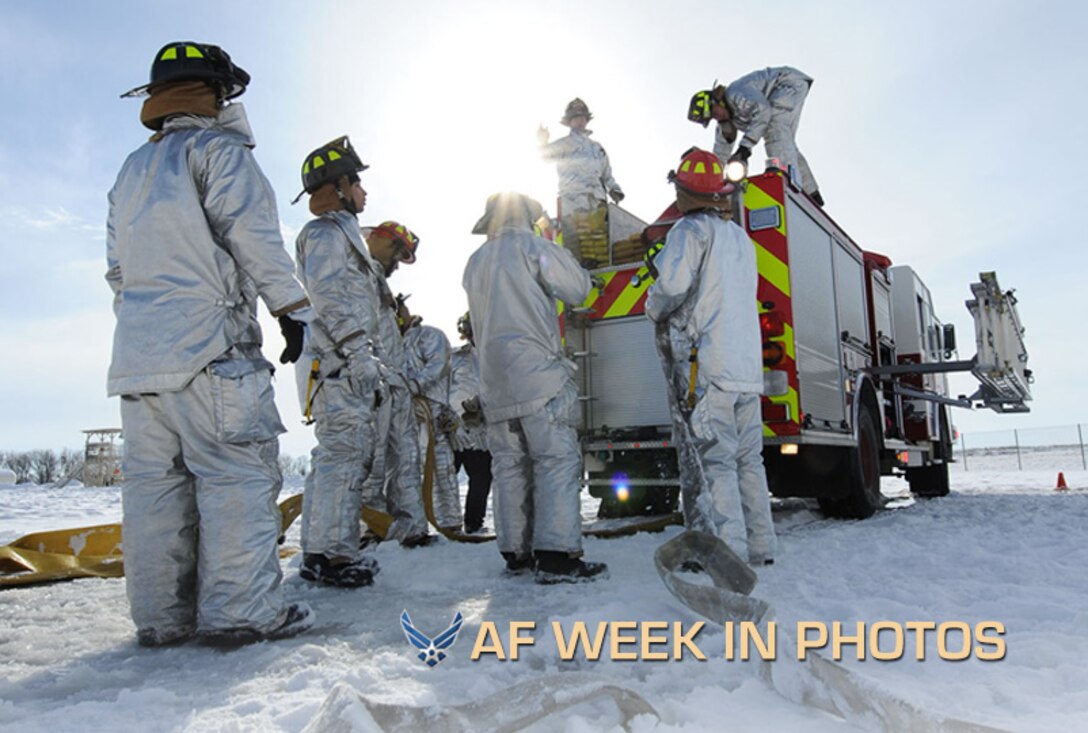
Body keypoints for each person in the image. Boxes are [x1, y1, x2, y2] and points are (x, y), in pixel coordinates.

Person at [107, 41, 314, 646]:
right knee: (236, 478)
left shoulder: (130, 171)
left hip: (140, 362)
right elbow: (254, 239)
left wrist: (149, 325)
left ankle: (161, 621)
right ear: (216, 93)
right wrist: (292, 308)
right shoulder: (218, 152)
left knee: (154, 495)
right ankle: (241, 615)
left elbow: (118, 274)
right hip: (211, 355)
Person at [462, 191, 608, 583]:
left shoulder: (474, 263)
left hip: (494, 383)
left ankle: (516, 551)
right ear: (528, 217)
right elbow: (579, 290)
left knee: (510, 466)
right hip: (538, 376)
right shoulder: (533, 247)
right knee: (555, 461)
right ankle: (558, 555)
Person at [644, 148, 778, 566]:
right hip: (745, 370)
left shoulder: (688, 231)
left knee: (715, 461)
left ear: (684, 193)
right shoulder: (739, 237)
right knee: (748, 461)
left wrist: (653, 306)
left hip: (710, 369)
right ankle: (761, 546)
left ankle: (727, 555)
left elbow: (670, 288)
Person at [292, 135, 385, 588]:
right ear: (341, 185)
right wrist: (357, 351)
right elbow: (329, 298)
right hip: (339, 366)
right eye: (359, 182)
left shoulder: (343, 236)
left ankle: (322, 552)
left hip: (344, 364)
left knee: (339, 460)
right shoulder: (325, 234)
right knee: (341, 459)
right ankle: (329, 557)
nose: (366, 192)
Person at [359, 222, 436, 548]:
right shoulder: (356, 272)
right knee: (372, 462)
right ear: (374, 238)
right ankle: (372, 529)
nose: (395, 261)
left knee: (406, 460)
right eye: (395, 251)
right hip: (372, 382)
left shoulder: (377, 280)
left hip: (395, 384)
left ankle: (411, 529)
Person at [687, 67, 823, 206]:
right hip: (788, 88)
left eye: (714, 112)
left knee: (774, 130)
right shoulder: (725, 123)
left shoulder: (737, 93)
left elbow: (763, 111)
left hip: (787, 84)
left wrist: (744, 149)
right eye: (712, 118)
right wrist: (708, 175)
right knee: (784, 140)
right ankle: (811, 193)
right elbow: (720, 154)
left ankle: (790, 186)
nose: (716, 117)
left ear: (716, 101)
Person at [538, 98, 624, 266]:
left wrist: (614, 189)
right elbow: (544, 156)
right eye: (575, 117)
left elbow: (607, 174)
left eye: (582, 117)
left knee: (599, 246)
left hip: (597, 202)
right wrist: (542, 142)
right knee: (574, 247)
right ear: (569, 122)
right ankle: (576, 276)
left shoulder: (597, 148)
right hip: (572, 202)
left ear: (587, 119)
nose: (580, 121)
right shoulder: (564, 144)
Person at [402, 308, 463, 532]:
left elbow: (438, 365)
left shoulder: (429, 336)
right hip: (402, 418)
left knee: (441, 470)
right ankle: (412, 527)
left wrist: (414, 385)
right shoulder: (385, 343)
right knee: (404, 473)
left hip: (431, 414)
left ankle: (450, 523)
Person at [449, 312, 492, 534]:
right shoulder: (454, 357)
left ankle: (473, 523)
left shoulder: (497, 358)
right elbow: (442, 388)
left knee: (481, 477)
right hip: (453, 430)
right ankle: (444, 523)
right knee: (446, 477)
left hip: (481, 431)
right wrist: (458, 411)